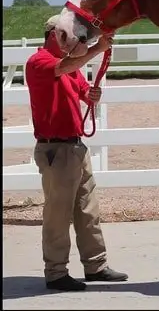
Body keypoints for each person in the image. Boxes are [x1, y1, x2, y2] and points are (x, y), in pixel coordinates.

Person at [25, 15, 128, 291]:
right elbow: (66, 67)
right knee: (58, 213)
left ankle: (95, 265)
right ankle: (56, 271)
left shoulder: (69, 65)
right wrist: (97, 49)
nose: (75, 41)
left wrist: (91, 95)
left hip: (73, 146)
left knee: (87, 209)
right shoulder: (40, 62)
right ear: (54, 35)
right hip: (56, 149)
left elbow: (83, 89)